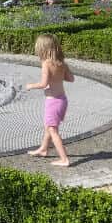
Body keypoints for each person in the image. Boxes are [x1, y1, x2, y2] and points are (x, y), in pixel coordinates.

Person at [25, 34, 74, 167]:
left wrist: (31, 86)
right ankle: (43, 149)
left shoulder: (46, 63)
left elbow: (43, 83)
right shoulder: (62, 63)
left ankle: (64, 159)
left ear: (42, 49)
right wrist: (58, 76)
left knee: (52, 130)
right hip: (62, 100)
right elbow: (71, 79)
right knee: (49, 127)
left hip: (53, 102)